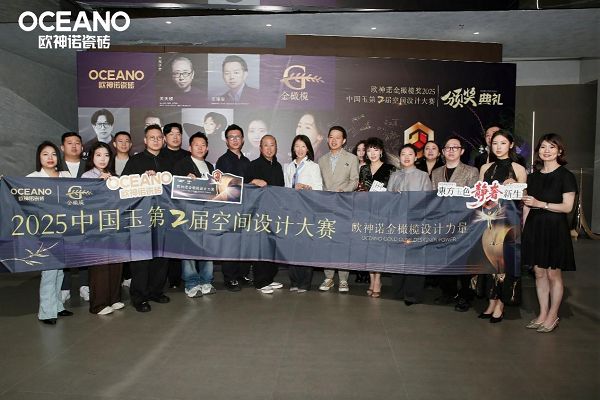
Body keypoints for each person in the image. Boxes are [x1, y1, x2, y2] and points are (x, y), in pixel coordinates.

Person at [522, 133, 577, 333]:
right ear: (538, 151)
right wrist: (524, 227)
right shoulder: (532, 177)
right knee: (539, 272)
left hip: (555, 228)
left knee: (553, 273)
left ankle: (553, 315)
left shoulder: (566, 176)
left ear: (559, 151)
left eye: (552, 147)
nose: (547, 151)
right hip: (535, 227)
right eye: (543, 147)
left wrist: (541, 204)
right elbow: (527, 205)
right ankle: (542, 313)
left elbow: (567, 207)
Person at [476, 130, 528, 322]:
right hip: (489, 219)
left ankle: (501, 304)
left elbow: (524, 198)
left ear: (511, 145)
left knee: (505, 261)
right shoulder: (485, 168)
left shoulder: (518, 169)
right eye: (495, 143)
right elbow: (479, 196)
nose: (498, 147)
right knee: (489, 260)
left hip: (509, 221)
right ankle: (491, 301)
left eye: (503, 143)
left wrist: (515, 185)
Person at [121, 124, 170, 312]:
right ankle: (139, 297)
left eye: (159, 137)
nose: (156, 140)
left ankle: (155, 291)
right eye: (152, 137)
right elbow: (124, 187)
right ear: (145, 140)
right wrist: (143, 179)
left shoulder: (169, 161)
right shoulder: (135, 161)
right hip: (141, 217)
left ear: (163, 140)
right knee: (141, 259)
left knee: (161, 256)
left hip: (163, 216)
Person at [27, 141, 74, 324]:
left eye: (53, 154)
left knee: (60, 270)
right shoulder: (32, 178)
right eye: (45, 154)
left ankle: (58, 306)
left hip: (66, 229)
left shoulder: (65, 175)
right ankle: (46, 312)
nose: (50, 158)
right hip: (45, 231)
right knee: (49, 272)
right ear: (39, 157)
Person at [431, 136, 479, 312]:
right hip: (442, 221)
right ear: (443, 152)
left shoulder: (471, 171)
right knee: (444, 258)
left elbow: (473, 196)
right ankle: (448, 292)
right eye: (448, 148)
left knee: (463, 260)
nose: (451, 150)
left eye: (455, 147)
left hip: (463, 221)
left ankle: (465, 295)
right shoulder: (436, 172)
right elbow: (433, 197)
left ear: (462, 151)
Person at [81, 142, 125, 315]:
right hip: (96, 228)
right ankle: (98, 304)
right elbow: (84, 201)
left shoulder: (115, 177)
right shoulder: (86, 177)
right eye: (98, 155)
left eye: (106, 155)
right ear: (92, 157)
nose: (102, 159)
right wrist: (99, 183)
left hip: (114, 226)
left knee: (116, 264)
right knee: (99, 266)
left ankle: (114, 298)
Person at [173, 132, 217, 298]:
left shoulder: (210, 167)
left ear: (207, 148)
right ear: (190, 147)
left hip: (207, 213)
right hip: (188, 214)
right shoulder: (182, 165)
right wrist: (185, 181)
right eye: (196, 145)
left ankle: (206, 281)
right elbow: (174, 190)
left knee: (207, 248)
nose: (200, 148)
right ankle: (191, 283)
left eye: (203, 145)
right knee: (189, 249)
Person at [388, 144, 433, 304]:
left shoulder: (423, 176)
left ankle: (412, 294)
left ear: (416, 157)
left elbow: (428, 201)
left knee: (415, 257)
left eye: (410, 154)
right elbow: (387, 199)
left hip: (416, 221)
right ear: (399, 157)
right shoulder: (394, 176)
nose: (406, 157)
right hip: (397, 222)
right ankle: (398, 291)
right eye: (403, 154)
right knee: (397, 257)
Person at [318, 126, 359, 293]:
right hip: (326, 206)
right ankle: (328, 278)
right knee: (327, 242)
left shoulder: (352, 158)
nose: (334, 140)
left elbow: (355, 181)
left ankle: (343, 279)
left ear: (344, 140)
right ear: (327, 139)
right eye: (331, 137)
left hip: (344, 205)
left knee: (342, 243)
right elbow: (319, 183)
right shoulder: (321, 160)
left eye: (338, 137)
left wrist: (344, 190)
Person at [245, 135, 285, 294]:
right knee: (261, 247)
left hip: (275, 212)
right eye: (266, 145)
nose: (269, 148)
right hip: (259, 213)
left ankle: (269, 278)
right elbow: (244, 187)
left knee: (273, 246)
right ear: (260, 148)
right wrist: (253, 181)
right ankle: (260, 281)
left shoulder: (278, 166)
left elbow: (281, 189)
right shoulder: (253, 165)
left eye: (272, 145)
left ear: (276, 147)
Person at [283, 135, 323, 293]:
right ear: (293, 148)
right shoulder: (288, 167)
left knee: (305, 248)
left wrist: (308, 188)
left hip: (307, 210)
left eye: (303, 146)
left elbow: (319, 189)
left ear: (308, 149)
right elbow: (286, 189)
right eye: (297, 146)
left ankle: (305, 283)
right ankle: (294, 281)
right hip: (292, 211)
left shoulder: (313, 166)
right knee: (292, 248)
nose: (300, 149)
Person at [356, 137, 395, 297]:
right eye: (369, 150)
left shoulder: (390, 169)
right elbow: (360, 189)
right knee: (368, 248)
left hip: (382, 213)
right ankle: (371, 279)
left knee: (378, 247)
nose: (372, 153)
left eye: (375, 150)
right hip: (365, 212)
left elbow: (393, 192)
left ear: (381, 151)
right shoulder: (363, 169)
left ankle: (378, 279)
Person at [215, 124, 252, 291]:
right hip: (229, 208)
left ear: (242, 140)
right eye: (231, 137)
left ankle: (241, 274)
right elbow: (221, 186)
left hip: (246, 208)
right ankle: (229, 278)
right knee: (230, 244)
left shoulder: (246, 161)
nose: (235, 140)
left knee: (244, 243)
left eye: (238, 137)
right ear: (226, 141)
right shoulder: (222, 161)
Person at [158, 122, 190, 289]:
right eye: (171, 134)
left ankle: (177, 279)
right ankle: (164, 279)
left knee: (181, 242)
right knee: (166, 242)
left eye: (178, 134)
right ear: (165, 137)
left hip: (184, 206)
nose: (175, 137)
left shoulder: (188, 156)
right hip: (163, 205)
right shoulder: (159, 155)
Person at [59, 132, 89, 302]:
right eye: (69, 143)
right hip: (63, 217)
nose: (74, 146)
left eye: (77, 143)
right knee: (64, 252)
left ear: (82, 147)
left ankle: (85, 286)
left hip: (85, 216)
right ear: (62, 147)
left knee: (86, 251)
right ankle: (65, 287)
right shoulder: (56, 165)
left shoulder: (89, 166)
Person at [352, 139, 370, 284]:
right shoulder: (351, 165)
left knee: (366, 241)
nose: (361, 153)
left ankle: (366, 272)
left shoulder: (370, 167)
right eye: (358, 150)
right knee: (355, 241)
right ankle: (358, 271)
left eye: (364, 150)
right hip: (351, 206)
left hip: (367, 208)